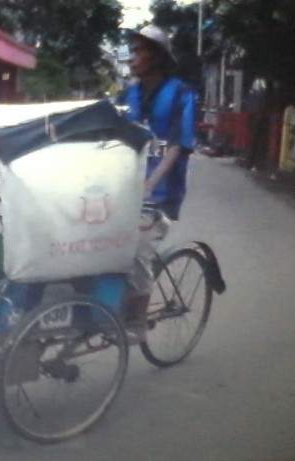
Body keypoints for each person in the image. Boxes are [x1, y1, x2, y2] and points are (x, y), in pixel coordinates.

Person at [117, 25, 197, 337]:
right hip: (125, 188)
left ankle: (137, 321)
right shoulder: (127, 95)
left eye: (138, 51)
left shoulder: (181, 94)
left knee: (137, 247)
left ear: (156, 56)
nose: (131, 58)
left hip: (161, 195)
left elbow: (177, 145)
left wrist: (149, 185)